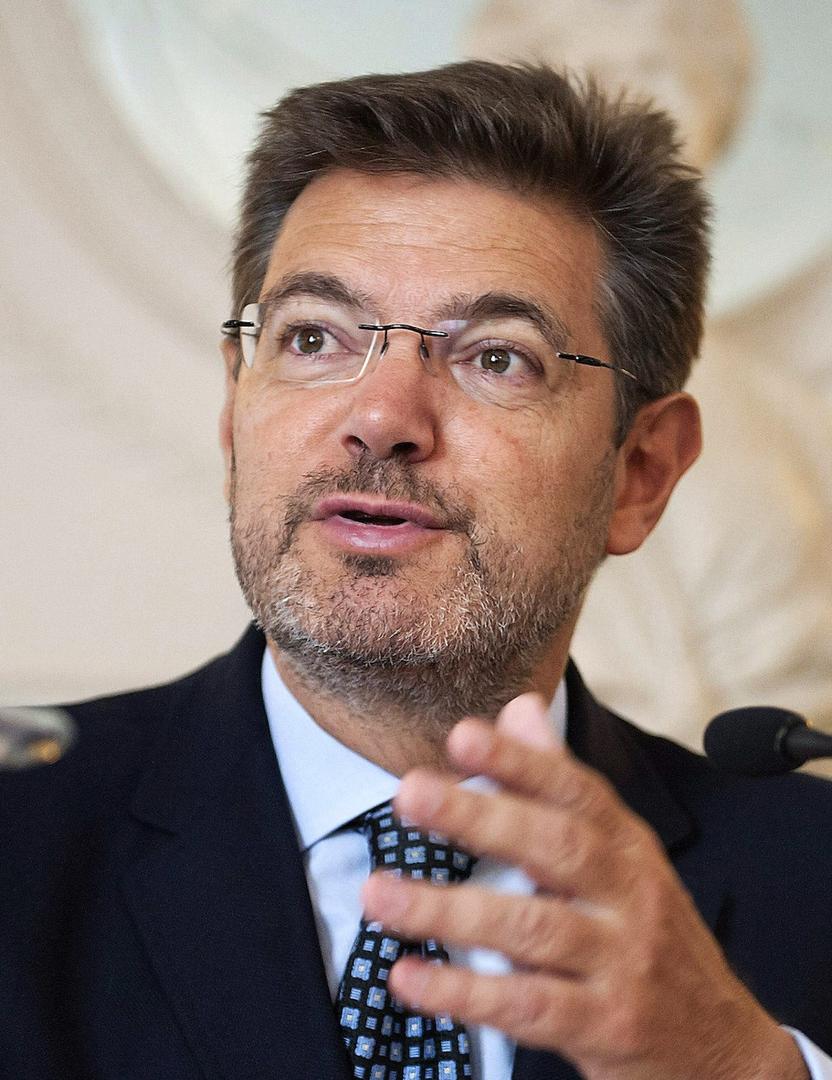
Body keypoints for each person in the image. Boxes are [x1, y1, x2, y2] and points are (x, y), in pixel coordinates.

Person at [1, 61, 831, 1080]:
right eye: (313, 338)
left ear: (640, 473)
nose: (382, 418)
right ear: (233, 411)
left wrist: (740, 1068)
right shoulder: (19, 842)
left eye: (497, 357)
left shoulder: (815, 876)